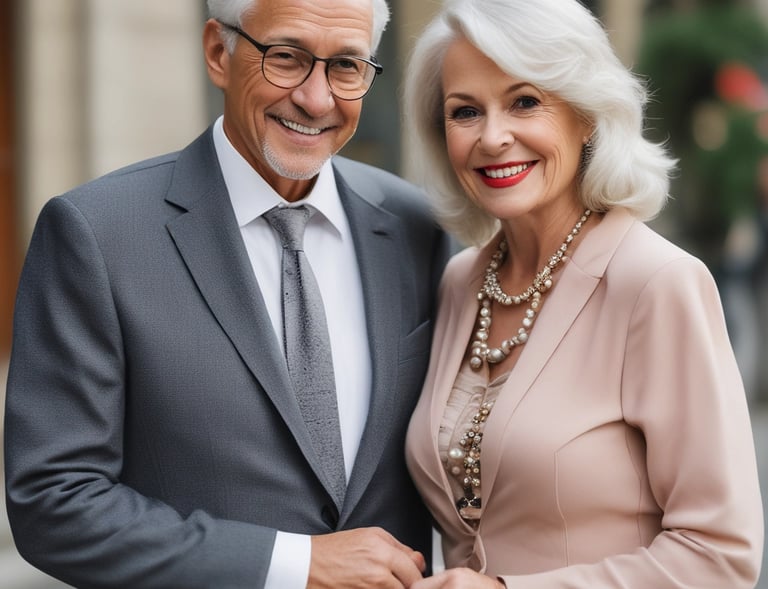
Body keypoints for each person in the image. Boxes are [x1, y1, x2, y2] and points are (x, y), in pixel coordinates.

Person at [4, 0, 450, 587]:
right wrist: (296, 565)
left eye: (346, 65)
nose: (317, 100)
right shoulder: (97, 232)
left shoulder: (417, 226)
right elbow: (53, 502)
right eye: (286, 57)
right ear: (219, 52)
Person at [402, 0, 764, 587]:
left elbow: (719, 557)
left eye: (525, 102)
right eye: (465, 111)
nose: (493, 137)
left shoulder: (657, 283)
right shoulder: (460, 281)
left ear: (588, 115)